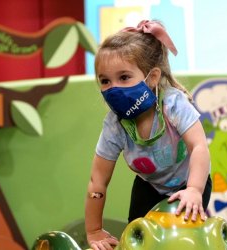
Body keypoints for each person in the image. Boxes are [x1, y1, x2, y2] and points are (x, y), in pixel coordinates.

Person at [85, 20, 212, 250]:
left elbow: (199, 147)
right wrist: (94, 231)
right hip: (149, 187)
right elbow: (98, 181)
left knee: (184, 241)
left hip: (189, 181)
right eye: (105, 81)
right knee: (140, 241)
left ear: (152, 77)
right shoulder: (115, 126)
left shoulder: (173, 104)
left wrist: (194, 189)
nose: (113, 88)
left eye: (124, 77)